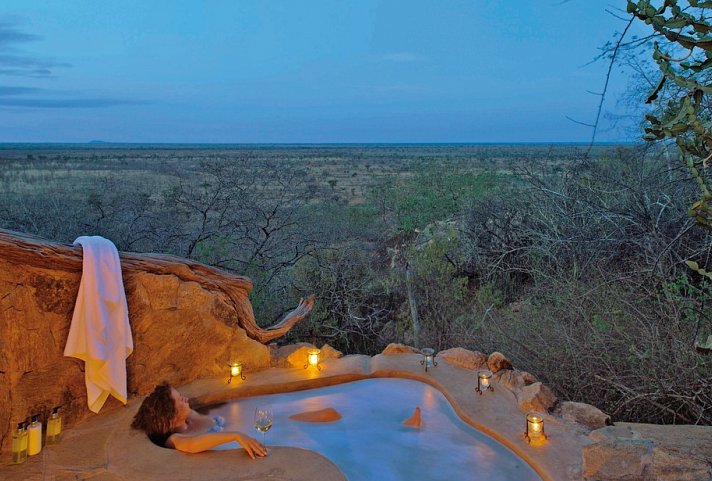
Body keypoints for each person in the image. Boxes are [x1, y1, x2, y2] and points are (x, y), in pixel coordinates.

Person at [131, 382, 266, 459]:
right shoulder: (174, 439)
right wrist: (236, 435)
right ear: (170, 416)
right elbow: (192, 445)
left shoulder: (190, 416)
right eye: (180, 400)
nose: (185, 398)